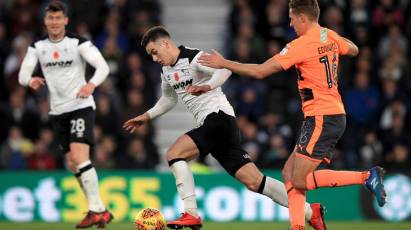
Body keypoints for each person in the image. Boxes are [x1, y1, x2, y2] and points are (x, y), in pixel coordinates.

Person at [197, 0, 387, 229]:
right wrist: (334, 41)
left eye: (292, 18)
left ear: (303, 18)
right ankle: (297, 225)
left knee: (298, 179)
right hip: (325, 116)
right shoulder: (328, 35)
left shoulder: (300, 45)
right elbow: (354, 49)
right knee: (289, 173)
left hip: (322, 118)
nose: (290, 23)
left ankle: (366, 177)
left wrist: (224, 62)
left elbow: (259, 71)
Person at [123, 26, 326, 230]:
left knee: (174, 154)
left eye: (154, 52)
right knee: (255, 182)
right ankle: (310, 211)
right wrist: (146, 116)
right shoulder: (166, 71)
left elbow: (225, 69)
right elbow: (168, 99)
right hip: (218, 127)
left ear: (165, 43)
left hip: (218, 118)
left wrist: (208, 86)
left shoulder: (194, 57)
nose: (154, 58)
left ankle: (191, 213)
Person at [18, 1, 113, 228]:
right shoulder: (38, 46)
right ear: (45, 21)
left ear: (65, 20)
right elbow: (23, 73)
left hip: (80, 106)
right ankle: (98, 209)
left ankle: (97, 210)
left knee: (80, 157)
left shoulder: (78, 43)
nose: (54, 22)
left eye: (58, 18)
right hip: (57, 112)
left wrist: (91, 85)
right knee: (72, 163)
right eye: (50, 18)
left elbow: (103, 67)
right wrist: (30, 80)